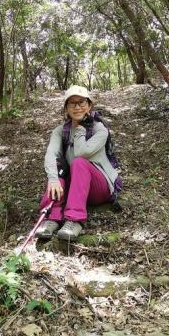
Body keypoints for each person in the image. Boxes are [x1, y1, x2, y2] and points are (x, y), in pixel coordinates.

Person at [36, 85, 120, 241]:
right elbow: (51, 154)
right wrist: (53, 179)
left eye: (81, 102)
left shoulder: (99, 129)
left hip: (100, 188)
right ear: (66, 108)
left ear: (89, 105)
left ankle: (74, 220)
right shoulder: (61, 131)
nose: (77, 107)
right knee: (58, 169)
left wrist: (80, 129)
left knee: (79, 162)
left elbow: (82, 152)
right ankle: (52, 217)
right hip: (78, 186)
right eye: (72, 103)